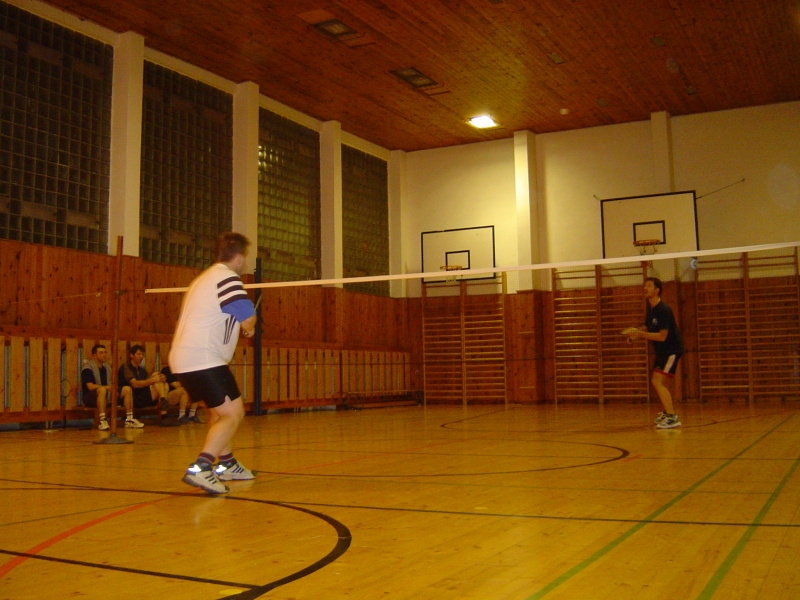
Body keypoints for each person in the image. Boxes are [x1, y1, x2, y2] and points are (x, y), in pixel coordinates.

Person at [170, 232, 257, 494]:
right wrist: (250, 326)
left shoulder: (203, 279)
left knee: (218, 412)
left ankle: (227, 463)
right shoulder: (228, 278)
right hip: (204, 358)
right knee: (233, 413)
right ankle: (202, 467)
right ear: (239, 257)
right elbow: (248, 318)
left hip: (184, 359)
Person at [626, 277, 684, 429]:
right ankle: (667, 412)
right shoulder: (651, 310)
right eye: (645, 285)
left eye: (649, 286)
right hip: (662, 351)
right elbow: (647, 327)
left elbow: (662, 336)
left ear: (657, 290)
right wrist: (635, 334)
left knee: (657, 381)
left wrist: (640, 334)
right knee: (658, 382)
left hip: (671, 350)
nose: (645, 288)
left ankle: (672, 418)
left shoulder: (664, 310)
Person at [81, 343, 140, 429]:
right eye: (101, 352)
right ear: (94, 355)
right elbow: (90, 386)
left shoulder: (108, 368)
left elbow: (114, 383)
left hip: (107, 394)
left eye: (105, 352)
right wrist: (108, 388)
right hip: (90, 397)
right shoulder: (87, 368)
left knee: (127, 389)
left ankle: (129, 419)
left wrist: (114, 389)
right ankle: (102, 421)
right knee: (102, 390)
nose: (104, 354)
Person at [118, 344, 168, 427]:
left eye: (142, 355)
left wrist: (160, 377)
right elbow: (134, 384)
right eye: (138, 354)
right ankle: (163, 405)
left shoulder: (142, 370)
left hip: (142, 396)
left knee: (162, 382)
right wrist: (152, 380)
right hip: (131, 397)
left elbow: (148, 381)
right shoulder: (126, 367)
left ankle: (163, 409)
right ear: (131, 355)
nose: (141, 357)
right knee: (155, 380)